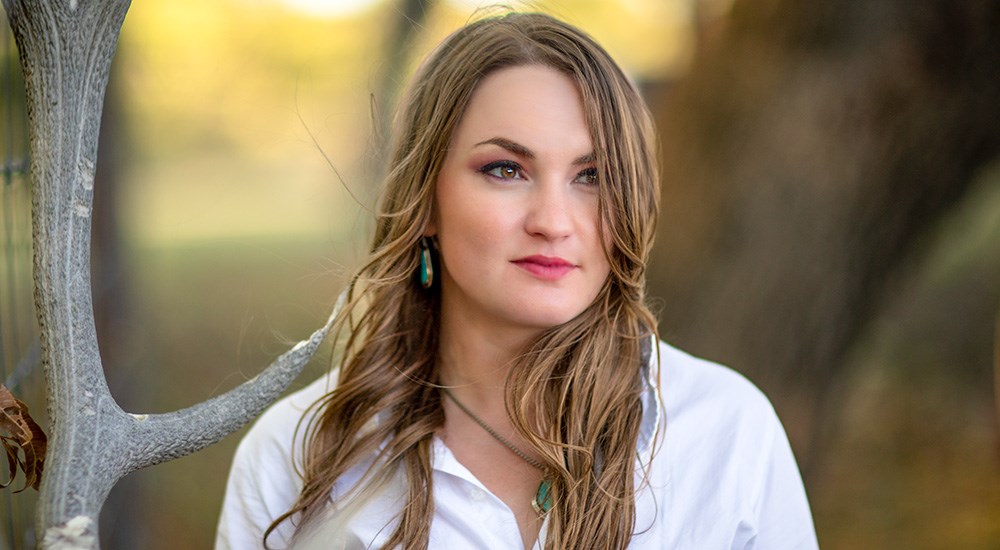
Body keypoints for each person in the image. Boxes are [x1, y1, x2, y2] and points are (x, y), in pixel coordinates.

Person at [216, 11, 818, 550]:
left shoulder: (727, 432)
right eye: (506, 169)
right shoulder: (296, 457)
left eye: (592, 176)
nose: (553, 222)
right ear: (425, 199)